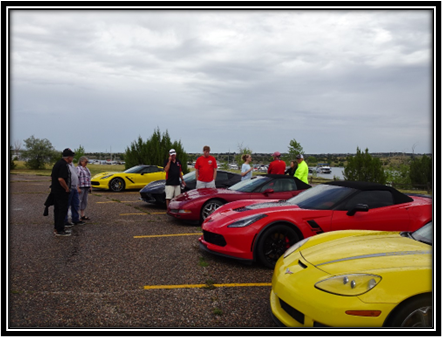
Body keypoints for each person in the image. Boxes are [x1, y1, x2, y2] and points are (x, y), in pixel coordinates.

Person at [51, 148, 74, 236]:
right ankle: (60, 230)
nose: (72, 159)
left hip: (56, 191)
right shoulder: (63, 165)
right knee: (62, 210)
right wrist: (66, 188)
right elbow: (60, 179)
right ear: (68, 157)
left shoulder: (58, 163)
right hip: (61, 192)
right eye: (72, 157)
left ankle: (57, 228)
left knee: (57, 210)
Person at [64, 161, 84, 227]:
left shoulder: (72, 164)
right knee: (66, 205)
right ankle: (65, 221)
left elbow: (75, 175)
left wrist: (77, 187)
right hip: (69, 187)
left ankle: (75, 219)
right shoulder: (64, 165)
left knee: (76, 204)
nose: (72, 158)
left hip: (74, 187)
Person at [77, 156, 92, 221]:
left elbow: (89, 178)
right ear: (81, 161)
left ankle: (82, 215)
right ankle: (76, 216)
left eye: (87, 162)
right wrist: (77, 187)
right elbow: (76, 178)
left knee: (84, 201)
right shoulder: (78, 168)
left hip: (86, 186)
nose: (86, 163)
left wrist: (90, 186)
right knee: (79, 201)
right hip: (81, 187)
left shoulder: (87, 169)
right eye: (85, 162)